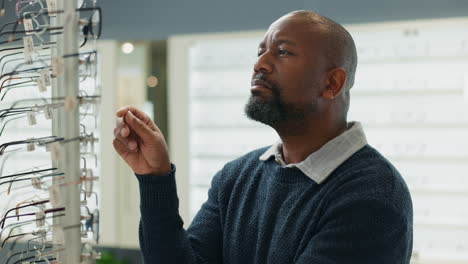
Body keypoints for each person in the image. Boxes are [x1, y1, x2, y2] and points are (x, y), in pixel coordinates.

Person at [113, 10, 413, 264]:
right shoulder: (236, 177)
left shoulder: (372, 196)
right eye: (260, 52)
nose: (260, 64)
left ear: (331, 83)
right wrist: (155, 177)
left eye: (283, 51)